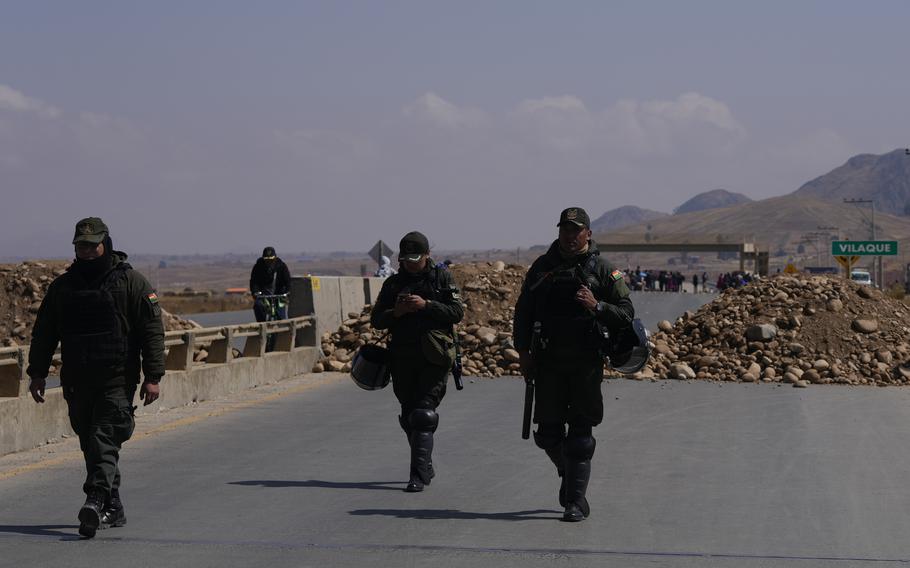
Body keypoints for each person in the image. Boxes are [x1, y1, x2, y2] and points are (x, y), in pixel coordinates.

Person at [27, 217, 165, 539]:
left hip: (117, 378)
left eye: (93, 245)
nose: (87, 251)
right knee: (91, 442)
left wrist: (153, 375)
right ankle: (112, 505)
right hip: (76, 379)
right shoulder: (63, 288)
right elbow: (44, 333)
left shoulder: (132, 283)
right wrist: (36, 373)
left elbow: (152, 332)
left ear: (106, 244)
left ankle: (95, 499)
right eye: (81, 246)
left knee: (104, 437)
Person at [513, 207, 634, 522]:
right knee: (547, 435)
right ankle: (568, 472)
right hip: (548, 362)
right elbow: (523, 313)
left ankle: (576, 502)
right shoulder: (542, 268)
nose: (569, 235)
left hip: (585, 363)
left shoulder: (605, 270)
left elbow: (626, 313)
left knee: (580, 435)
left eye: (576, 230)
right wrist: (523, 353)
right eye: (565, 229)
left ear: (588, 234)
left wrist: (598, 306)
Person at [370, 231, 464, 492]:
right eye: (406, 259)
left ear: (427, 255)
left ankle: (418, 475)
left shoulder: (442, 278)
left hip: (434, 357)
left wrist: (427, 305)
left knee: (423, 414)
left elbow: (457, 313)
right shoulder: (393, 284)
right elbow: (376, 320)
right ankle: (425, 462)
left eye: (416, 258)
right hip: (402, 358)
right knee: (409, 415)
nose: (411, 264)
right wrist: (396, 312)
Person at [249, 246, 291, 322]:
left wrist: (287, 291)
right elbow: (254, 282)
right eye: (266, 260)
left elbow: (287, 281)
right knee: (258, 306)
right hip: (263, 296)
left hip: (279, 295)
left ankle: (282, 330)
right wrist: (255, 292)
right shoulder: (258, 267)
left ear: (275, 258)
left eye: (271, 260)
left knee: (281, 316)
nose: (269, 262)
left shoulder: (281, 266)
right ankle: (261, 326)